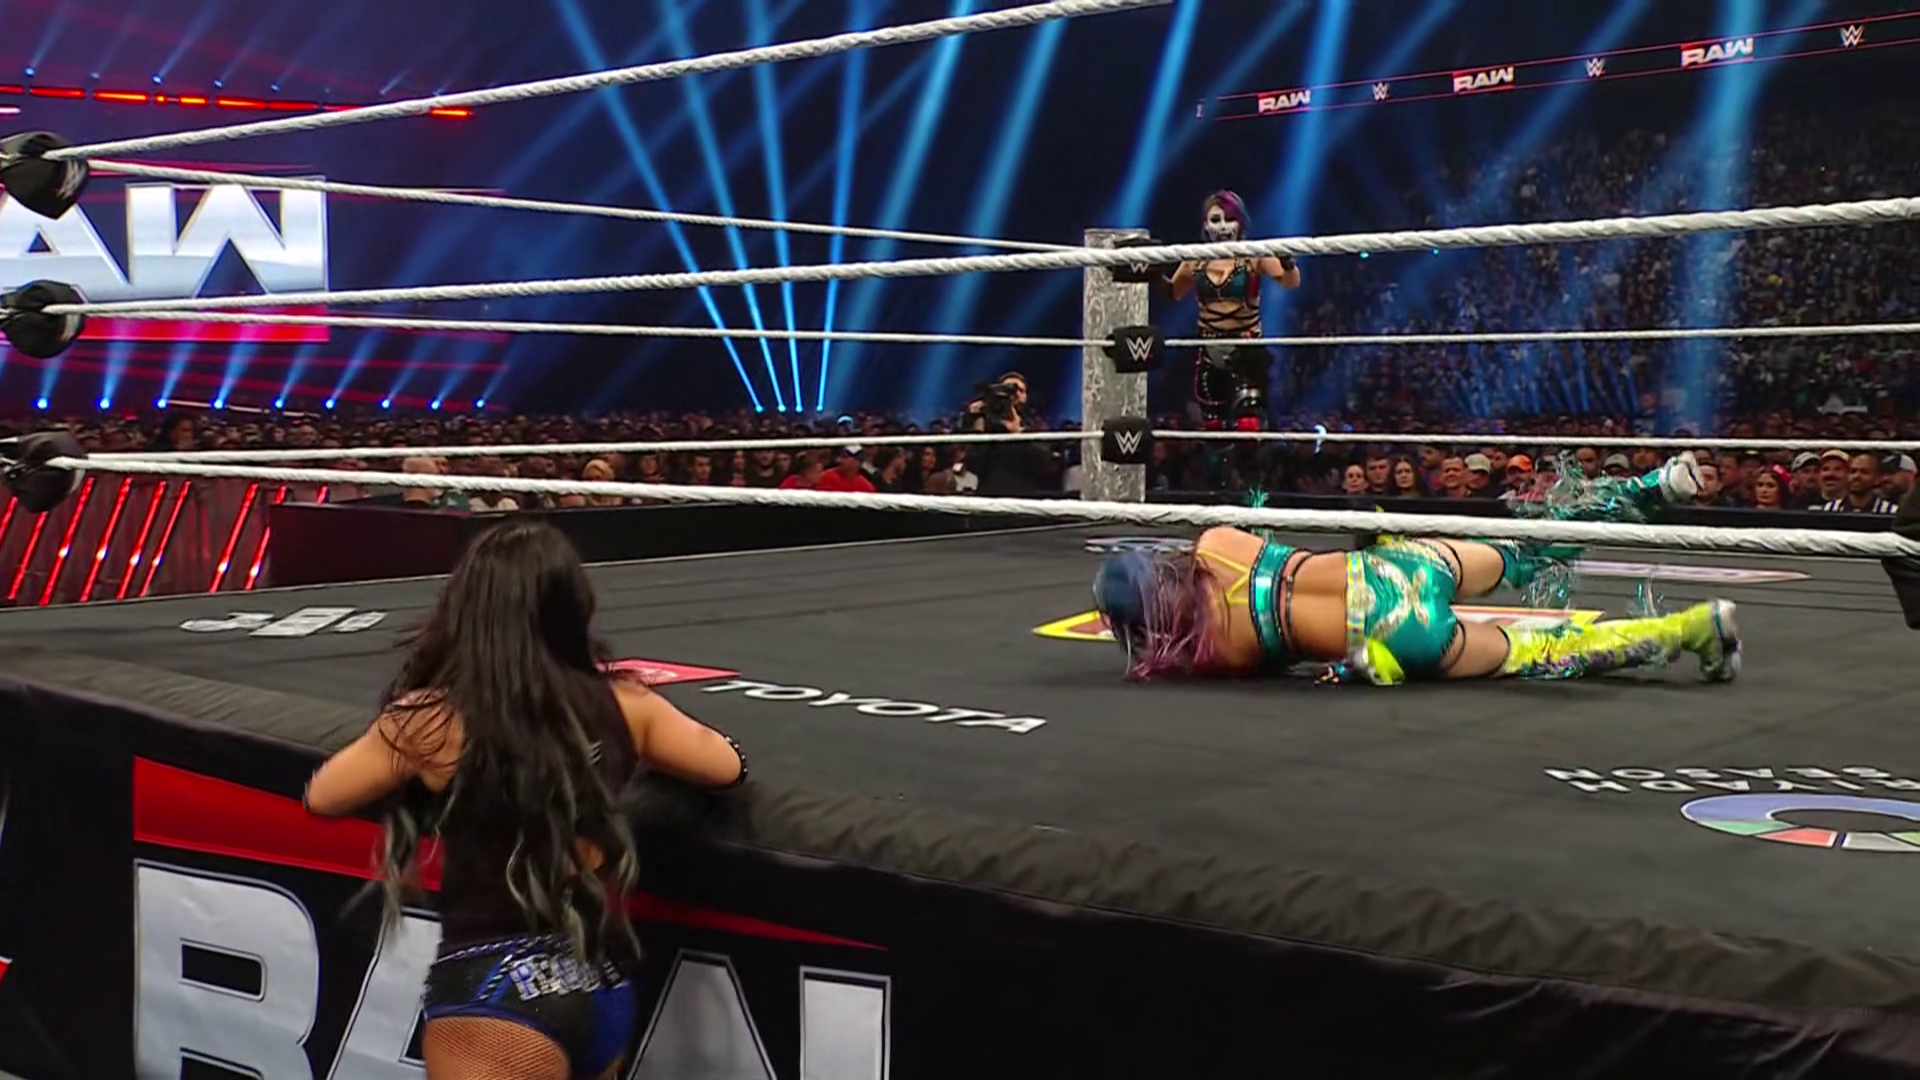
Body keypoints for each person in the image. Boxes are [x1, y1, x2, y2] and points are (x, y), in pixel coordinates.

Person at [304, 521, 746, 1080]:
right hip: (596, 979)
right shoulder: (628, 704)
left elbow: (324, 795)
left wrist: (419, 777)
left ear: (466, 611)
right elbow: (727, 765)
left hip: (495, 987)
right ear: (573, 607)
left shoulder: (430, 720)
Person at [1092, 454, 1741, 686]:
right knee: (1526, 547)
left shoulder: (1213, 651)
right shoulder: (1215, 545)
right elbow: (1259, 534)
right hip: (1392, 568)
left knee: (1541, 650)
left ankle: (1693, 629)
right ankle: (1650, 486)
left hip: (1392, 637)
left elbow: (1286, 663)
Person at [1164, 191, 1303, 431]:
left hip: (1245, 349)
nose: (1223, 226)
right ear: (1205, 225)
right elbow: (1173, 293)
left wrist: (1288, 263)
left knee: (1249, 425)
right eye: (1215, 220)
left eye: (1230, 219)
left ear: (1241, 223)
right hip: (1209, 349)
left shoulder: (1253, 255)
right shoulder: (1195, 260)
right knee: (1214, 428)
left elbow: (1291, 282)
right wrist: (1151, 273)